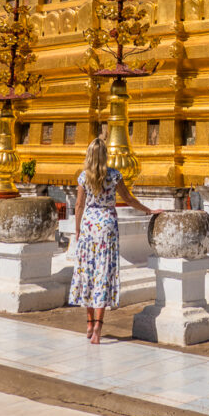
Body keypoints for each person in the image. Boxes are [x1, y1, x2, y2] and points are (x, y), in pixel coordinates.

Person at [70, 137, 159, 344]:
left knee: (88, 273)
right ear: (105, 156)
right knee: (102, 274)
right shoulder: (114, 176)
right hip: (107, 225)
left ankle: (89, 323)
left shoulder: (84, 177)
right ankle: (98, 329)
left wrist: (77, 230)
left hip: (89, 226)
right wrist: (148, 210)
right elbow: (127, 199)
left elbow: (78, 206)